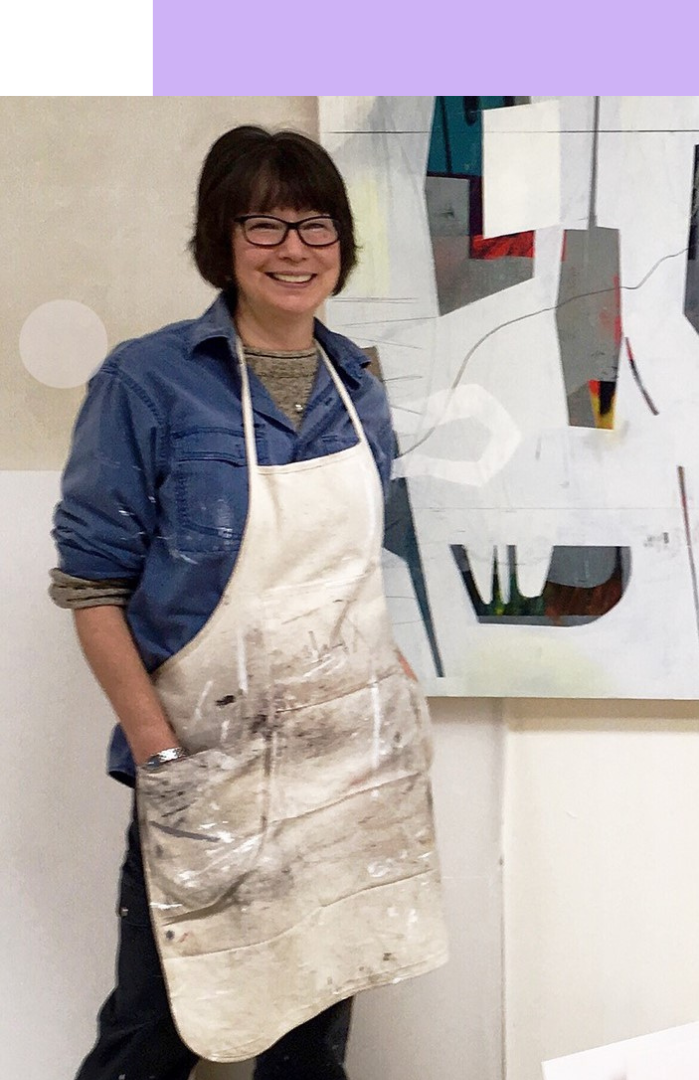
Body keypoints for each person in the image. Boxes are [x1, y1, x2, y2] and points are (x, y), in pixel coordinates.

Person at [51, 125, 448, 1080]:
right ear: (221, 241)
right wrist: (161, 755)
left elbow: (350, 566)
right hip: (205, 765)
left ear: (342, 242)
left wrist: (390, 691)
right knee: (156, 1030)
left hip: (344, 762)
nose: (293, 250)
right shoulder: (148, 381)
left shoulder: (360, 384)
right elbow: (93, 588)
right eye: (263, 225)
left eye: (315, 226)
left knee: (313, 1027)